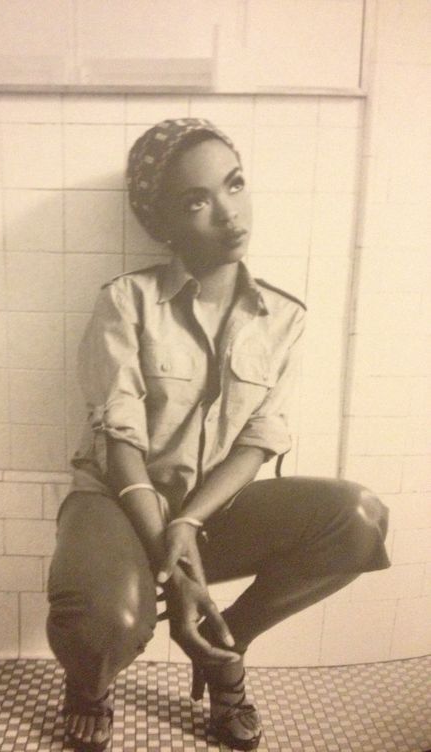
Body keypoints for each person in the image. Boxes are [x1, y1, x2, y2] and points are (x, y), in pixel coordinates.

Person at [46, 118, 390, 752]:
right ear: (165, 224)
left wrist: (188, 525)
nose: (228, 213)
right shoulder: (125, 302)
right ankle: (90, 681)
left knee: (360, 520)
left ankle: (222, 646)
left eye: (234, 185)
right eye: (196, 201)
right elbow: (120, 440)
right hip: (118, 503)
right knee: (107, 626)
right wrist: (173, 563)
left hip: (212, 511)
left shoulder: (284, 318)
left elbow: (260, 439)